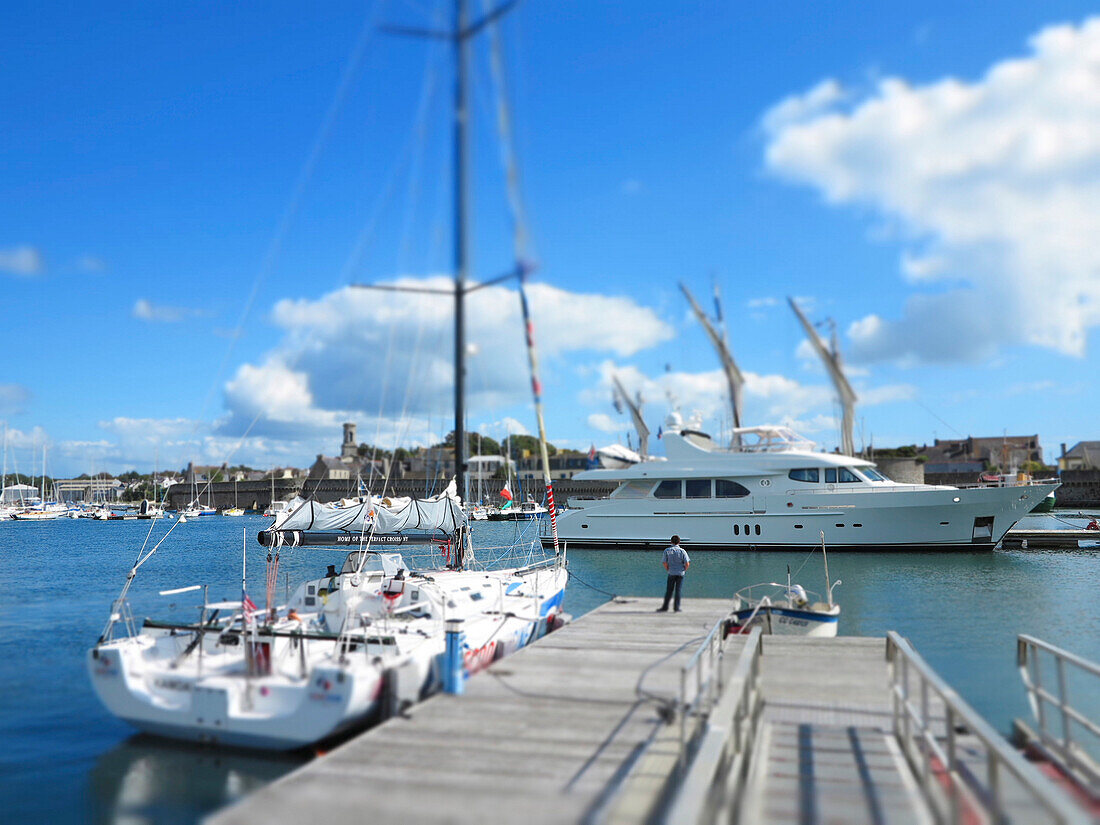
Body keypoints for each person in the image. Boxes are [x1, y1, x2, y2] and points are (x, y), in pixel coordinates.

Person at [657, 535, 690, 612]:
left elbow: (664, 562)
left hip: (671, 572)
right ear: (679, 542)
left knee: (669, 590)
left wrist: (668, 569)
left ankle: (665, 607)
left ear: (671, 541)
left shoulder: (667, 550)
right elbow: (687, 563)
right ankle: (676, 608)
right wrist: (684, 570)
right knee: (678, 590)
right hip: (680, 573)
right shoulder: (682, 551)